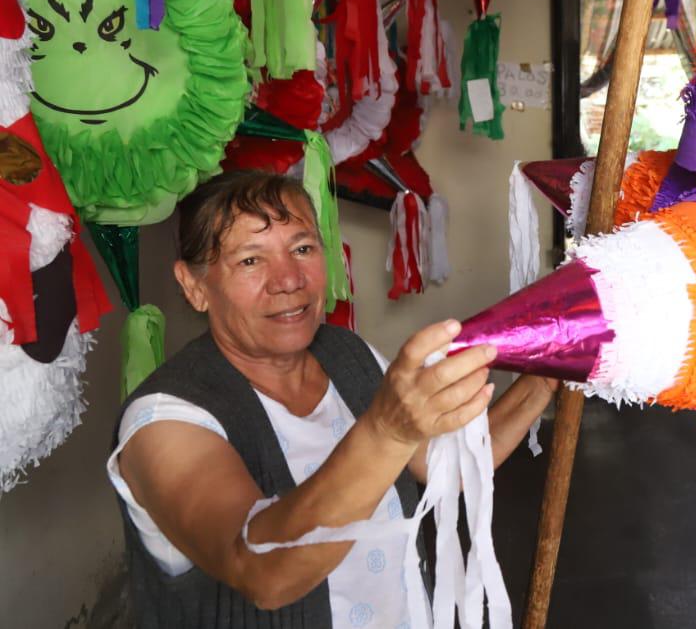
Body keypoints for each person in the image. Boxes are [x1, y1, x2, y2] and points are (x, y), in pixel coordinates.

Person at [107, 170, 555, 627]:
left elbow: (444, 467)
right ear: (194, 285)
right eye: (249, 261)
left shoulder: (347, 355)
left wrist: (552, 375)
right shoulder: (164, 419)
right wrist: (386, 429)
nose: (288, 279)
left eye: (302, 249)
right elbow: (262, 570)